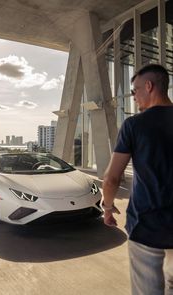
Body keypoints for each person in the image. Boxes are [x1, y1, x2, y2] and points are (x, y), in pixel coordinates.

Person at [102, 64, 173, 295]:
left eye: (135, 90)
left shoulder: (134, 125)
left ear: (149, 87)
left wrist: (108, 208)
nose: (134, 96)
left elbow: (112, 178)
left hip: (146, 226)